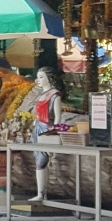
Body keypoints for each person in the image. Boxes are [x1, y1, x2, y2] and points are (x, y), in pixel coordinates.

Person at [28, 66, 63, 202]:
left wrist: (54, 131)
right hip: (38, 127)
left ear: (50, 78)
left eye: (42, 77)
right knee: (38, 158)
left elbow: (58, 116)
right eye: (38, 77)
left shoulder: (54, 95)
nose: (39, 80)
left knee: (42, 160)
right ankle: (41, 192)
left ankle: (42, 193)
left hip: (46, 128)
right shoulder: (41, 94)